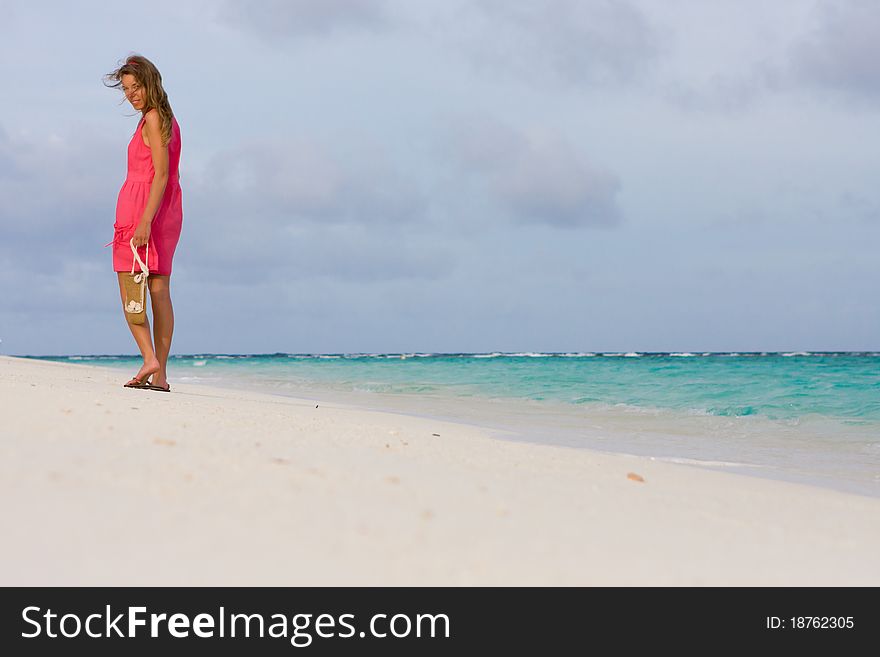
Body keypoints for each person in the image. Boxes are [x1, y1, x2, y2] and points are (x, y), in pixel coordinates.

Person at [104, 54, 183, 392]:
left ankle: (150, 359)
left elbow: (160, 174)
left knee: (131, 291)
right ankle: (160, 375)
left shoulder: (152, 118)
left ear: (151, 83)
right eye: (126, 89)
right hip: (164, 209)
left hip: (144, 211)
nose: (131, 95)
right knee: (158, 290)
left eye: (136, 87)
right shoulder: (166, 119)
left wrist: (144, 221)